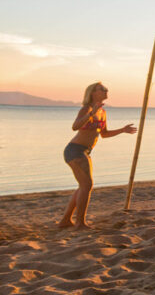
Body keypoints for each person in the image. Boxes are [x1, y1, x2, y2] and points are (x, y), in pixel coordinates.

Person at [59, 82, 137, 229]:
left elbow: (104, 134)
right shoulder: (86, 109)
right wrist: (91, 113)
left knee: (83, 185)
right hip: (75, 150)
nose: (106, 90)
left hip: (85, 151)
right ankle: (80, 223)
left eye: (106, 88)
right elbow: (74, 127)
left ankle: (65, 220)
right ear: (93, 93)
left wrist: (123, 130)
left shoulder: (103, 112)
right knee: (87, 185)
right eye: (102, 89)